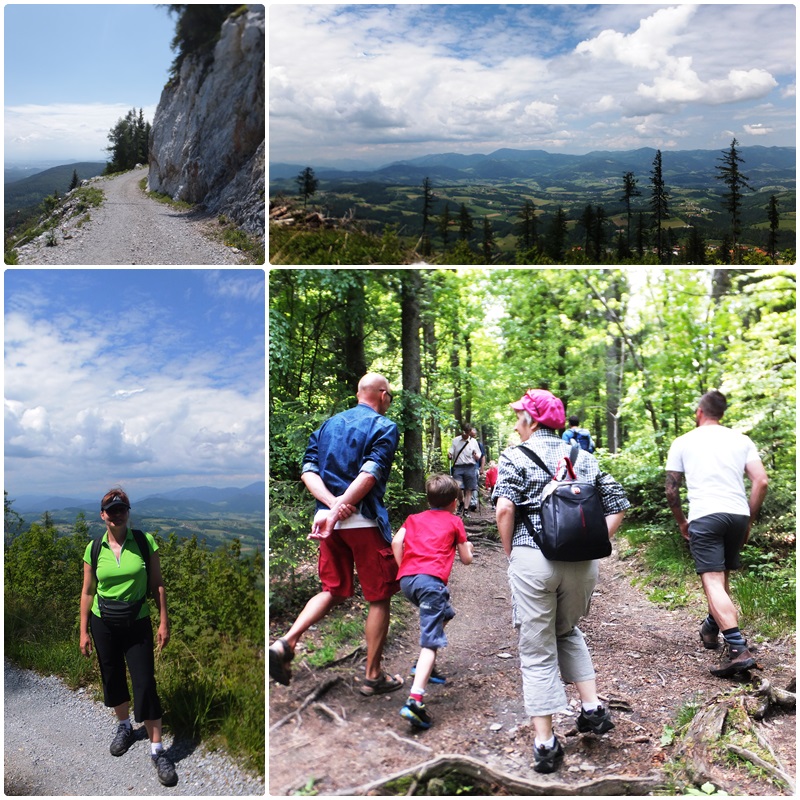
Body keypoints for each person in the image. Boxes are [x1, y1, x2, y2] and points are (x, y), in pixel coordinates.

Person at [493, 388, 630, 774]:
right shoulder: (583, 456)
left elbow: (505, 508)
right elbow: (618, 503)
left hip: (533, 559)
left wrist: (512, 553)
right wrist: (595, 541)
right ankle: (591, 709)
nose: (517, 420)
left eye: (520, 414)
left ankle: (546, 744)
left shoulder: (514, 456)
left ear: (531, 421)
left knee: (537, 649)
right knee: (566, 631)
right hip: (583, 563)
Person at [269, 373, 404, 696]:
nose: (390, 402)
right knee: (379, 596)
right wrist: (343, 505)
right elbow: (370, 472)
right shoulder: (384, 427)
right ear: (382, 395)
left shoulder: (328, 425)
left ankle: (286, 641)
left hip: (326, 524)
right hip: (364, 522)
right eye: (390, 397)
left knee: (334, 589)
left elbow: (308, 470)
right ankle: (373, 675)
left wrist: (330, 507)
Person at [665, 390, 768, 678]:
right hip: (737, 514)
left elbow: (672, 488)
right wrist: (748, 520)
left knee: (711, 581)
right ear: (722, 413)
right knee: (722, 579)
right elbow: (760, 481)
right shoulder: (741, 440)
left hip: (706, 516)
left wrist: (682, 521)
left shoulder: (683, 441)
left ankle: (738, 649)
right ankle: (711, 629)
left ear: (699, 411)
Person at [80, 489, 177, 787]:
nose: (117, 514)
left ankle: (157, 749)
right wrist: (83, 630)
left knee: (145, 681)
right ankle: (124, 727)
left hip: (137, 622)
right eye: (112, 510)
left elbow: (158, 584)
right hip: (103, 623)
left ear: (128, 512)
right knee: (111, 676)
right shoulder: (93, 548)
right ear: (103, 515)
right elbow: (87, 591)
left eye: (122, 509)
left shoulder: (145, 542)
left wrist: (164, 621)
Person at [392, 474, 474, 729]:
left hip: (408, 582)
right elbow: (467, 559)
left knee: (445, 613)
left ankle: (423, 666)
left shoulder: (413, 518)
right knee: (430, 641)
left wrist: (403, 567)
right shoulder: (454, 521)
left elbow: (396, 541)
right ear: (454, 501)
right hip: (431, 585)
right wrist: (468, 547)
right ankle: (415, 700)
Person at [447, 425, 482, 515]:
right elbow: (451, 451)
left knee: (469, 489)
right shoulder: (455, 440)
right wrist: (450, 454)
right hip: (458, 467)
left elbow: (479, 456)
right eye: (464, 432)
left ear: (469, 432)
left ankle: (466, 509)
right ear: (462, 431)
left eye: (467, 433)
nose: (465, 434)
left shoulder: (473, 441)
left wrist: (476, 455)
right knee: (457, 487)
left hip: (470, 467)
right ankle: (461, 502)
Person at [469, 427, 486, 511]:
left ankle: (473, 502)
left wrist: (482, 468)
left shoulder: (479, 445)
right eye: (471, 434)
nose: (472, 436)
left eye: (473, 435)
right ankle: (466, 502)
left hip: (475, 467)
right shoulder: (464, 443)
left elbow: (482, 457)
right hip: (465, 467)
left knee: (474, 485)